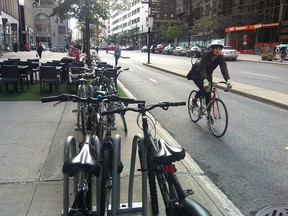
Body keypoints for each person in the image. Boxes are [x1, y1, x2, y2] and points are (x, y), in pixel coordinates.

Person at [190, 40, 232, 125]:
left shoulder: (220, 57)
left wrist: (228, 80)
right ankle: (194, 99)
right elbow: (203, 68)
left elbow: (224, 69)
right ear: (212, 49)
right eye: (216, 48)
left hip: (208, 75)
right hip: (197, 74)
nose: (218, 50)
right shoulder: (206, 55)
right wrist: (205, 81)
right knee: (204, 89)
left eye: (220, 49)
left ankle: (208, 116)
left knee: (208, 94)